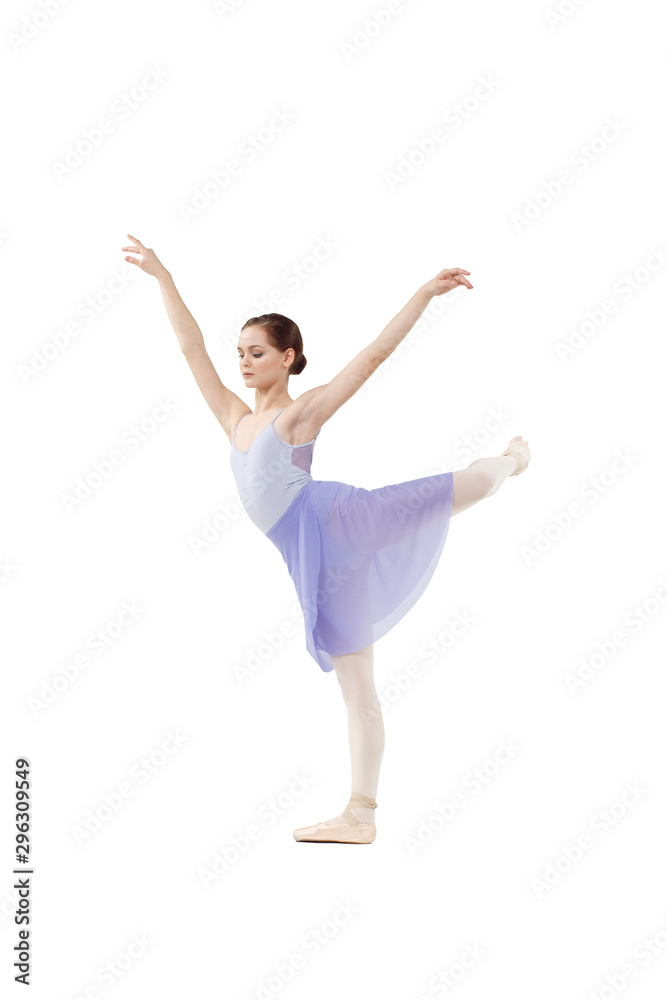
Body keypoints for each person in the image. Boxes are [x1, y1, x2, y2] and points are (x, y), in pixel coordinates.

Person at [122, 234, 530, 845]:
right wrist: (162, 277)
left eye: (257, 352)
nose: (243, 361)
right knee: (358, 687)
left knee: (468, 485)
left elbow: (370, 359)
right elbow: (190, 347)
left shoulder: (298, 415)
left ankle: (512, 461)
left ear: (288, 358)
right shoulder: (235, 418)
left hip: (343, 519)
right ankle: (360, 816)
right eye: (241, 352)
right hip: (315, 560)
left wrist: (423, 293)